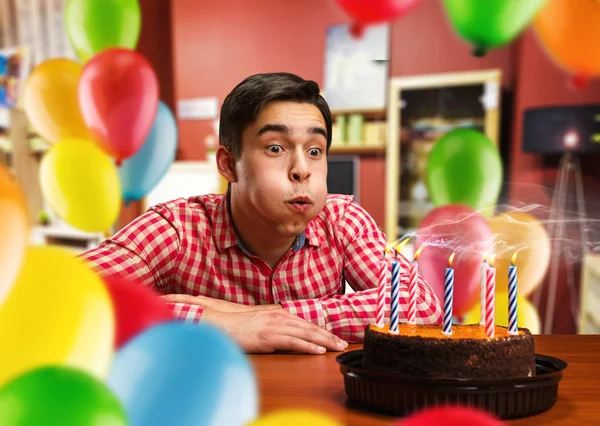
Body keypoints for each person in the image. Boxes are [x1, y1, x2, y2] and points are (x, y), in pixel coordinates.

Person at [80, 72, 441, 355]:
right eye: (275, 147)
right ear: (228, 164)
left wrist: (272, 318)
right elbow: (63, 294)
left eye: (315, 151)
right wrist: (214, 323)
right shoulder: (176, 229)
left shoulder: (342, 220)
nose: (302, 169)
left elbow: (419, 304)